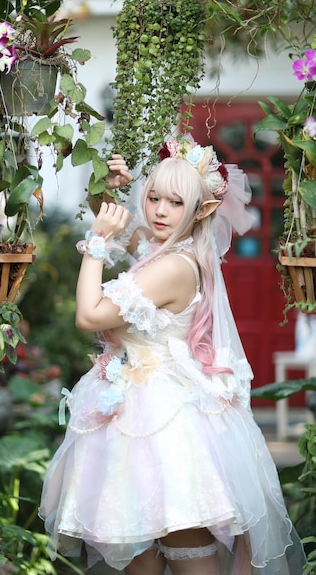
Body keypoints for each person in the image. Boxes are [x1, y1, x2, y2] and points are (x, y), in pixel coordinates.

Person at [39, 137, 305, 574]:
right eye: (153, 197)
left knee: (185, 552)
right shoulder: (169, 252)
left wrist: (95, 242)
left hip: (161, 423)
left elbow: (88, 315)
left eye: (175, 202)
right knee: (140, 557)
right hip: (142, 411)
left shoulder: (174, 268)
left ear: (200, 210)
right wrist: (112, 193)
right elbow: (133, 237)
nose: (159, 210)